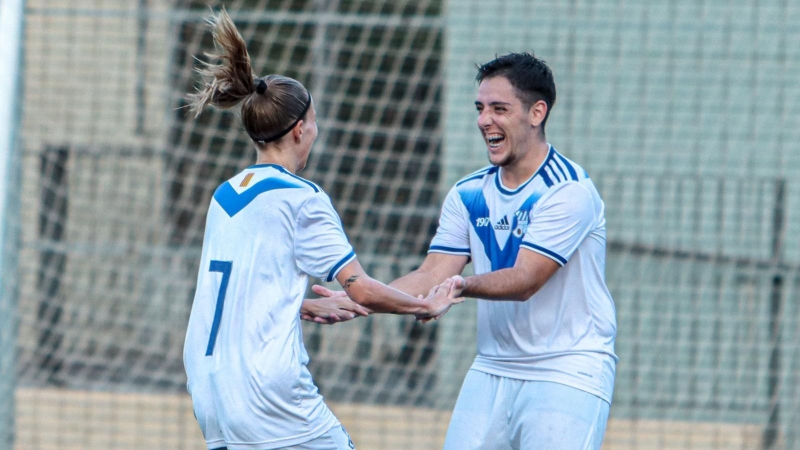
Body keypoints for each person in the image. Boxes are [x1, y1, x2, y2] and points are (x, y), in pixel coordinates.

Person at [182, 9, 461, 450]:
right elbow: (364, 289)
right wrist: (422, 306)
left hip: (209, 386)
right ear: (298, 131)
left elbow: (242, 287)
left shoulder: (225, 194)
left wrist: (296, 307)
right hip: (266, 391)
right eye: (313, 120)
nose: (317, 128)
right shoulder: (301, 199)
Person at [308, 52, 617, 450]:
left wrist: (459, 285)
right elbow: (431, 273)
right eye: (481, 108)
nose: (484, 120)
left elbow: (525, 280)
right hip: (491, 368)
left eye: (499, 109)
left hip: (566, 371)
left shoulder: (567, 190)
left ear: (537, 112)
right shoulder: (468, 192)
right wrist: (359, 296)